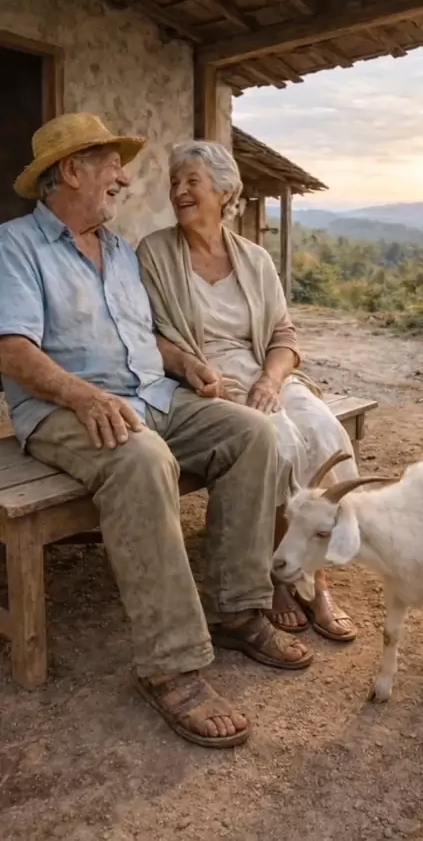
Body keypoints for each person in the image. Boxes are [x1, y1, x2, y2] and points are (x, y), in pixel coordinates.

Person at [0, 113, 313, 750]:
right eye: (112, 166)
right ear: (71, 172)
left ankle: (236, 607)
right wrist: (82, 394)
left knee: (253, 433)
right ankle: (170, 665)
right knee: (142, 460)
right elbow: (12, 348)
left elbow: (144, 337)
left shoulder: (118, 250)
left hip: (153, 395)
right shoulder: (16, 245)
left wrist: (185, 363)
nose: (123, 179)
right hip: (65, 409)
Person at [137, 140, 359, 642]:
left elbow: (284, 336)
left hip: (263, 373)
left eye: (192, 181)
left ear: (224, 191)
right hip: (204, 381)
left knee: (326, 433)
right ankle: (275, 574)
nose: (179, 191)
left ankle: (316, 577)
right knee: (277, 442)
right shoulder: (155, 253)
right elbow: (142, 333)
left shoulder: (255, 259)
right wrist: (190, 365)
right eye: (175, 182)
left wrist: (271, 380)